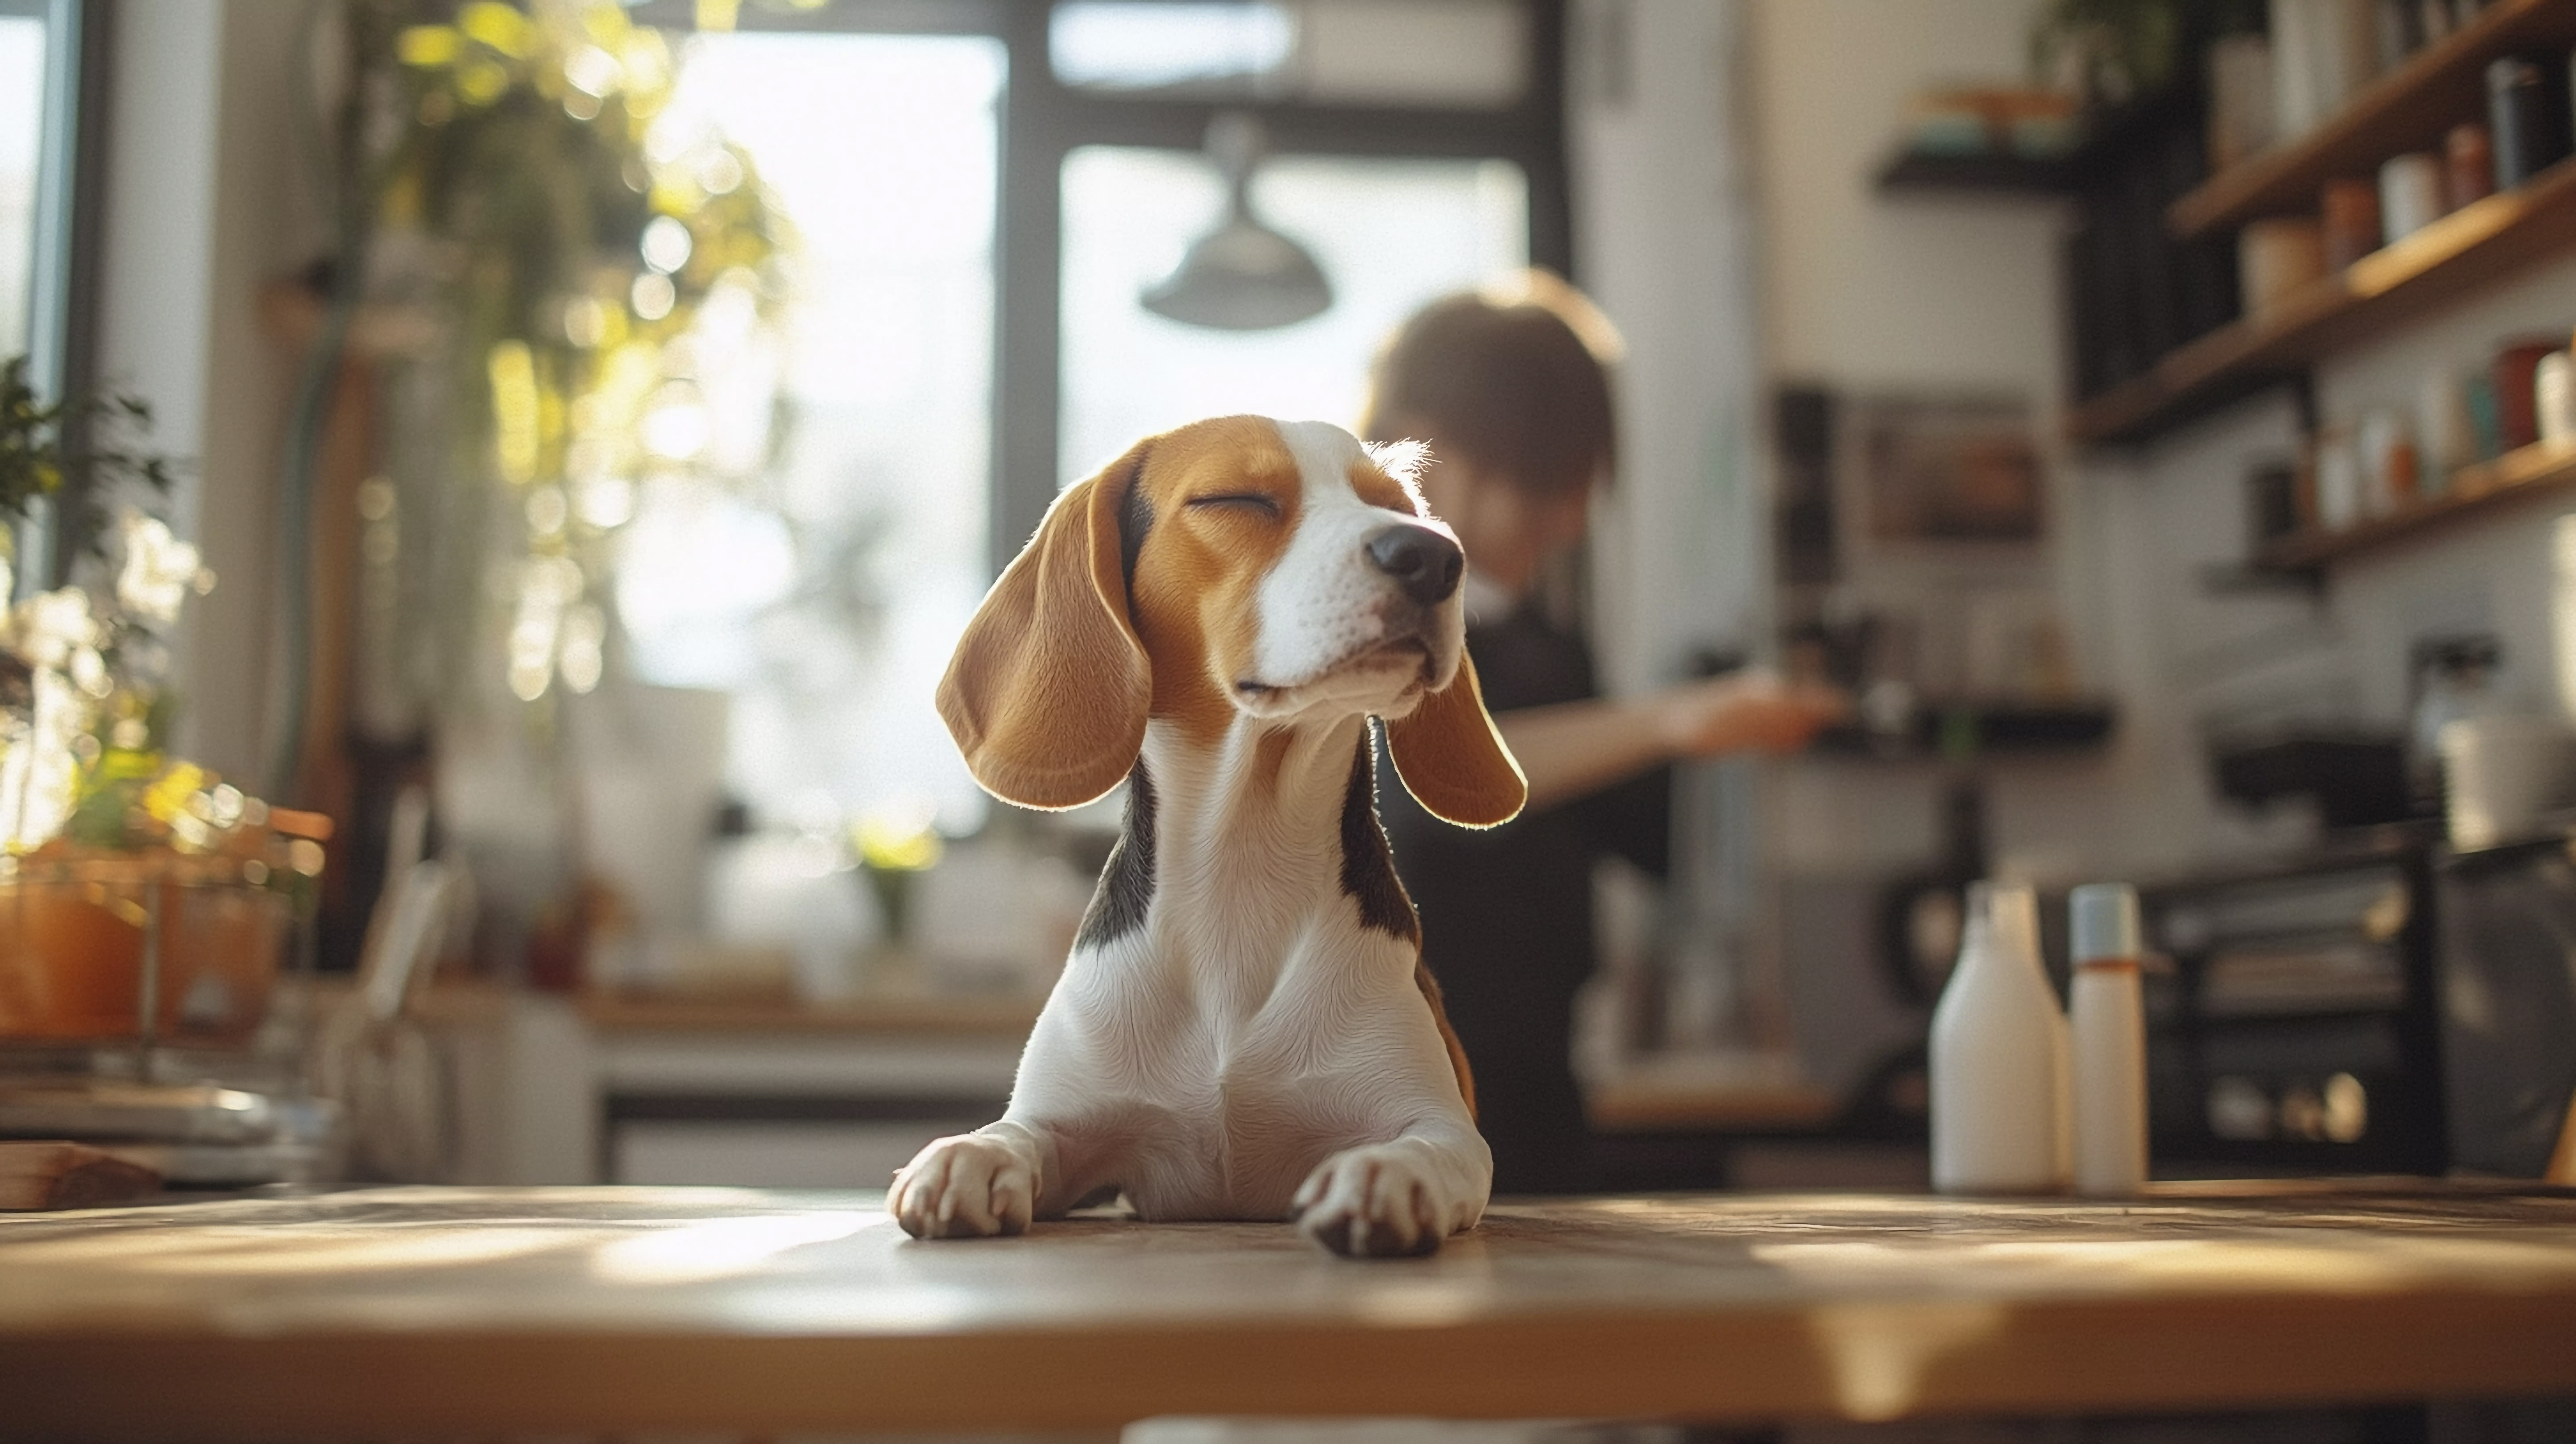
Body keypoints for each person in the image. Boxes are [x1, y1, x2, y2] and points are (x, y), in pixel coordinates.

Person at [1362, 272, 1843, 1194]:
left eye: (1575, 484)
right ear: (1424, 444)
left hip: (1539, 1083)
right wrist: (1664, 721)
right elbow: (1425, 787)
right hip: (1387, 1092)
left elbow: (1644, 832)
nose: (1569, 518)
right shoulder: (1364, 617)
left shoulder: (1549, 641)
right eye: (1538, 483)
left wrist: (1725, 732)